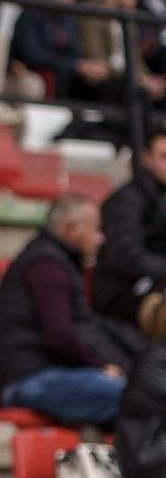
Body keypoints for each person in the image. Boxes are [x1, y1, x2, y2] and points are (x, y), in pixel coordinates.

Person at [0, 194, 127, 427]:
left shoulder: (54, 261)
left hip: (50, 375)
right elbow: (59, 337)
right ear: (71, 230)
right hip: (33, 380)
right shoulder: (47, 266)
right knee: (142, 399)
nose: (101, 238)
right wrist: (100, 367)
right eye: (95, 229)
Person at [92, 126, 166, 333]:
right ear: (146, 158)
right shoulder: (125, 201)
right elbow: (127, 257)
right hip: (123, 294)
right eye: (164, 156)